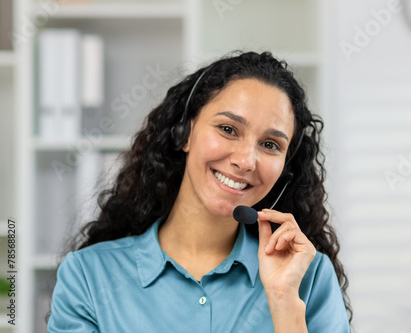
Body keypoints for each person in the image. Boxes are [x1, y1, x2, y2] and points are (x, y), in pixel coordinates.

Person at [48, 51, 352, 332]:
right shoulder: (87, 276)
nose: (246, 161)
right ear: (184, 133)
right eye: (228, 129)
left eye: (270, 145)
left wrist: (285, 304)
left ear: (285, 168)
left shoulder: (307, 277)